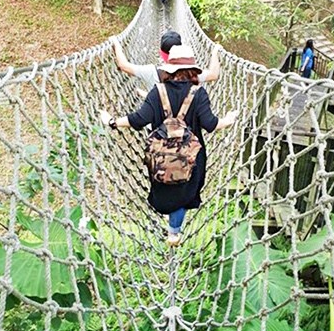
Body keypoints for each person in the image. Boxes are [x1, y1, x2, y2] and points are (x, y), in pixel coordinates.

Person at [101, 45, 237, 245]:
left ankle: (170, 225)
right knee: (184, 191)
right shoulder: (198, 94)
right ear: (193, 70)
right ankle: (174, 232)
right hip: (191, 157)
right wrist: (229, 119)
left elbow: (138, 119)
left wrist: (112, 121)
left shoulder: (157, 92)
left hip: (160, 156)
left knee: (167, 184)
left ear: (168, 68)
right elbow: (211, 124)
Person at [114, 30, 221, 88]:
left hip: (157, 126)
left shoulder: (151, 72)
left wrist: (116, 44)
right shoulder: (191, 73)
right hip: (185, 127)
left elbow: (124, 65)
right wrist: (215, 52)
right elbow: (213, 74)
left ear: (161, 53)